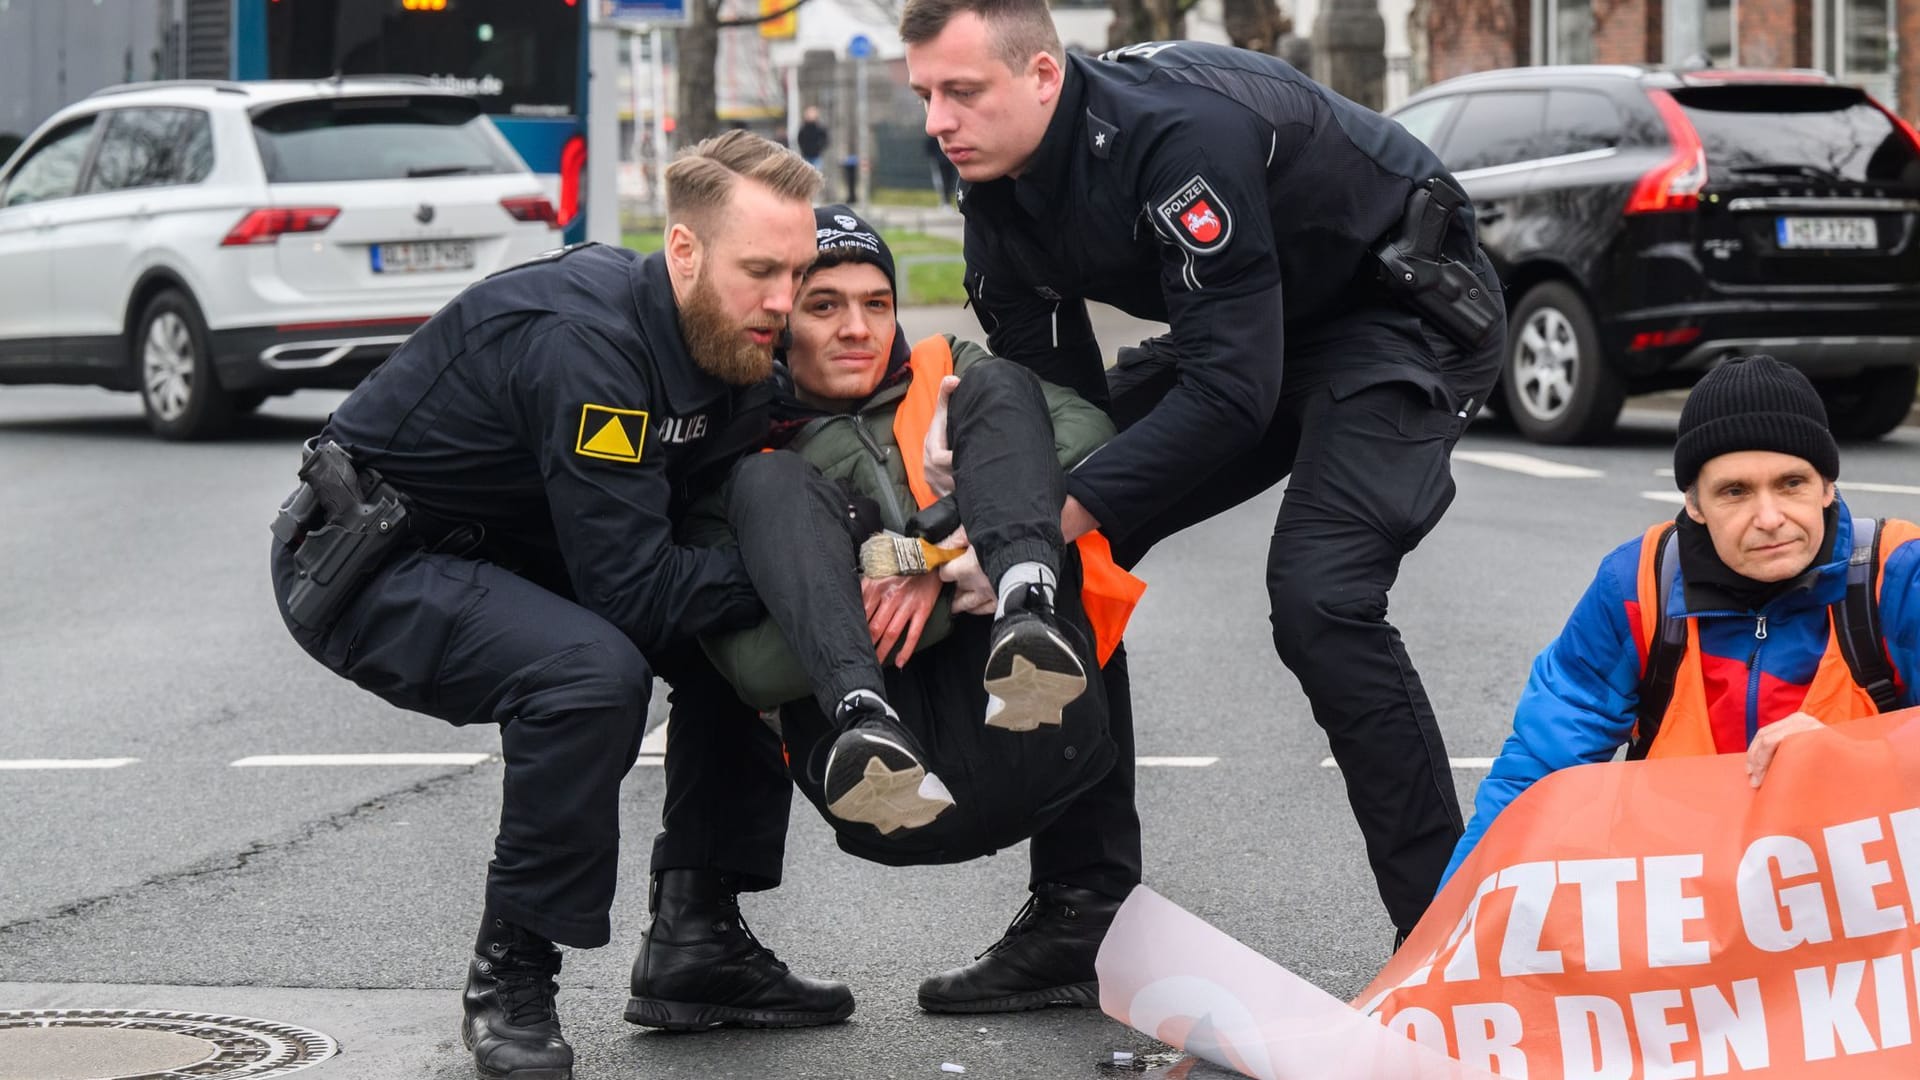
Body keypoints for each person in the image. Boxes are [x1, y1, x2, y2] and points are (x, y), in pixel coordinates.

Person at [900, 0, 1507, 948]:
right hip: (1246, 333)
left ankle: (1448, 937)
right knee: (1045, 536)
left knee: (1320, 598)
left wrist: (1037, 520)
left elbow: (1232, 394)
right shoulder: (994, 192)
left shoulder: (1179, 137)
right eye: (927, 95)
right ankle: (1082, 910)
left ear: (1044, 76)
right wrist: (991, 460)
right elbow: (1065, 423)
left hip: (1396, 316)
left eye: (963, 92)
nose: (938, 121)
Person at [268, 131, 846, 1080]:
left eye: (796, 272)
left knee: (734, 636)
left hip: (523, 548)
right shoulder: (591, 347)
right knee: (589, 673)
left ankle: (698, 947)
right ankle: (511, 979)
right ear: (684, 251)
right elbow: (631, 592)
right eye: (761, 273)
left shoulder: (729, 335)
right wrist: (802, 574)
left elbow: (822, 414)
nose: (783, 303)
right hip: (369, 564)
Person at [683, 207, 1140, 889]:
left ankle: (1027, 606)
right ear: (780, 325)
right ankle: (864, 713)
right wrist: (920, 594)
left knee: (996, 386)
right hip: (882, 780)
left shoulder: (945, 368)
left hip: (1048, 730)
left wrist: (943, 546)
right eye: (824, 305)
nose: (857, 329)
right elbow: (752, 668)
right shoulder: (745, 453)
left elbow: (1091, 430)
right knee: (767, 478)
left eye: (878, 303)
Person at [1440, 355, 1920, 889]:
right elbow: (1539, 767)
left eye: (1791, 484)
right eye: (1734, 492)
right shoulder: (1637, 585)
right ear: (1694, 504)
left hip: (1864, 898)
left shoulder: (1897, 573)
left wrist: (1855, 756)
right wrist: (1455, 916)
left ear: (1827, 486)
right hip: (1689, 900)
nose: (1769, 517)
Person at [926, 133, 961, 208]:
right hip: (940, 163)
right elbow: (929, 148)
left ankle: (949, 202)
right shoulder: (933, 136)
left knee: (950, 181)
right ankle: (945, 202)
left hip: (949, 162)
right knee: (942, 182)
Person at [797, 105, 829, 171]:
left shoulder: (820, 128)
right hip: (806, 155)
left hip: (816, 155)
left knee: (816, 172)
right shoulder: (803, 128)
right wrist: (804, 148)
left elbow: (825, 139)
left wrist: (819, 147)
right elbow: (800, 139)